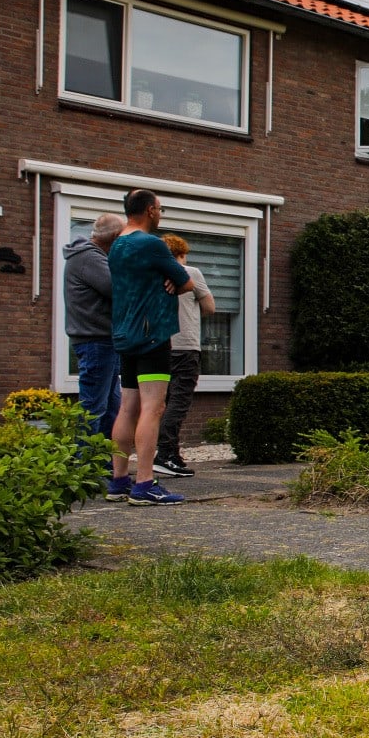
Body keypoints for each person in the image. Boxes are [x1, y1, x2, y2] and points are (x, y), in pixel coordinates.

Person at [106, 189, 194, 505]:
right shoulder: (151, 244)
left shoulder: (117, 244)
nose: (160, 214)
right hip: (152, 334)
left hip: (125, 333)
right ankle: (144, 483)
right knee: (153, 408)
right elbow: (186, 282)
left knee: (127, 407)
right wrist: (168, 282)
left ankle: (119, 481)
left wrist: (162, 280)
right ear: (150, 210)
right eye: (160, 208)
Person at [154, 233, 214, 478]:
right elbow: (210, 307)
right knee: (179, 403)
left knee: (160, 403)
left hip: (158, 346)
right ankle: (165, 455)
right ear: (180, 254)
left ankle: (171, 453)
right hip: (185, 346)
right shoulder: (191, 273)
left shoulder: (151, 276)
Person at [62, 213, 125, 442]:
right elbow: (119, 289)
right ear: (115, 237)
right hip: (96, 342)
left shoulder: (93, 256)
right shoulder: (90, 258)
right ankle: (86, 460)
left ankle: (105, 460)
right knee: (94, 408)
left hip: (103, 341)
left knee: (111, 407)